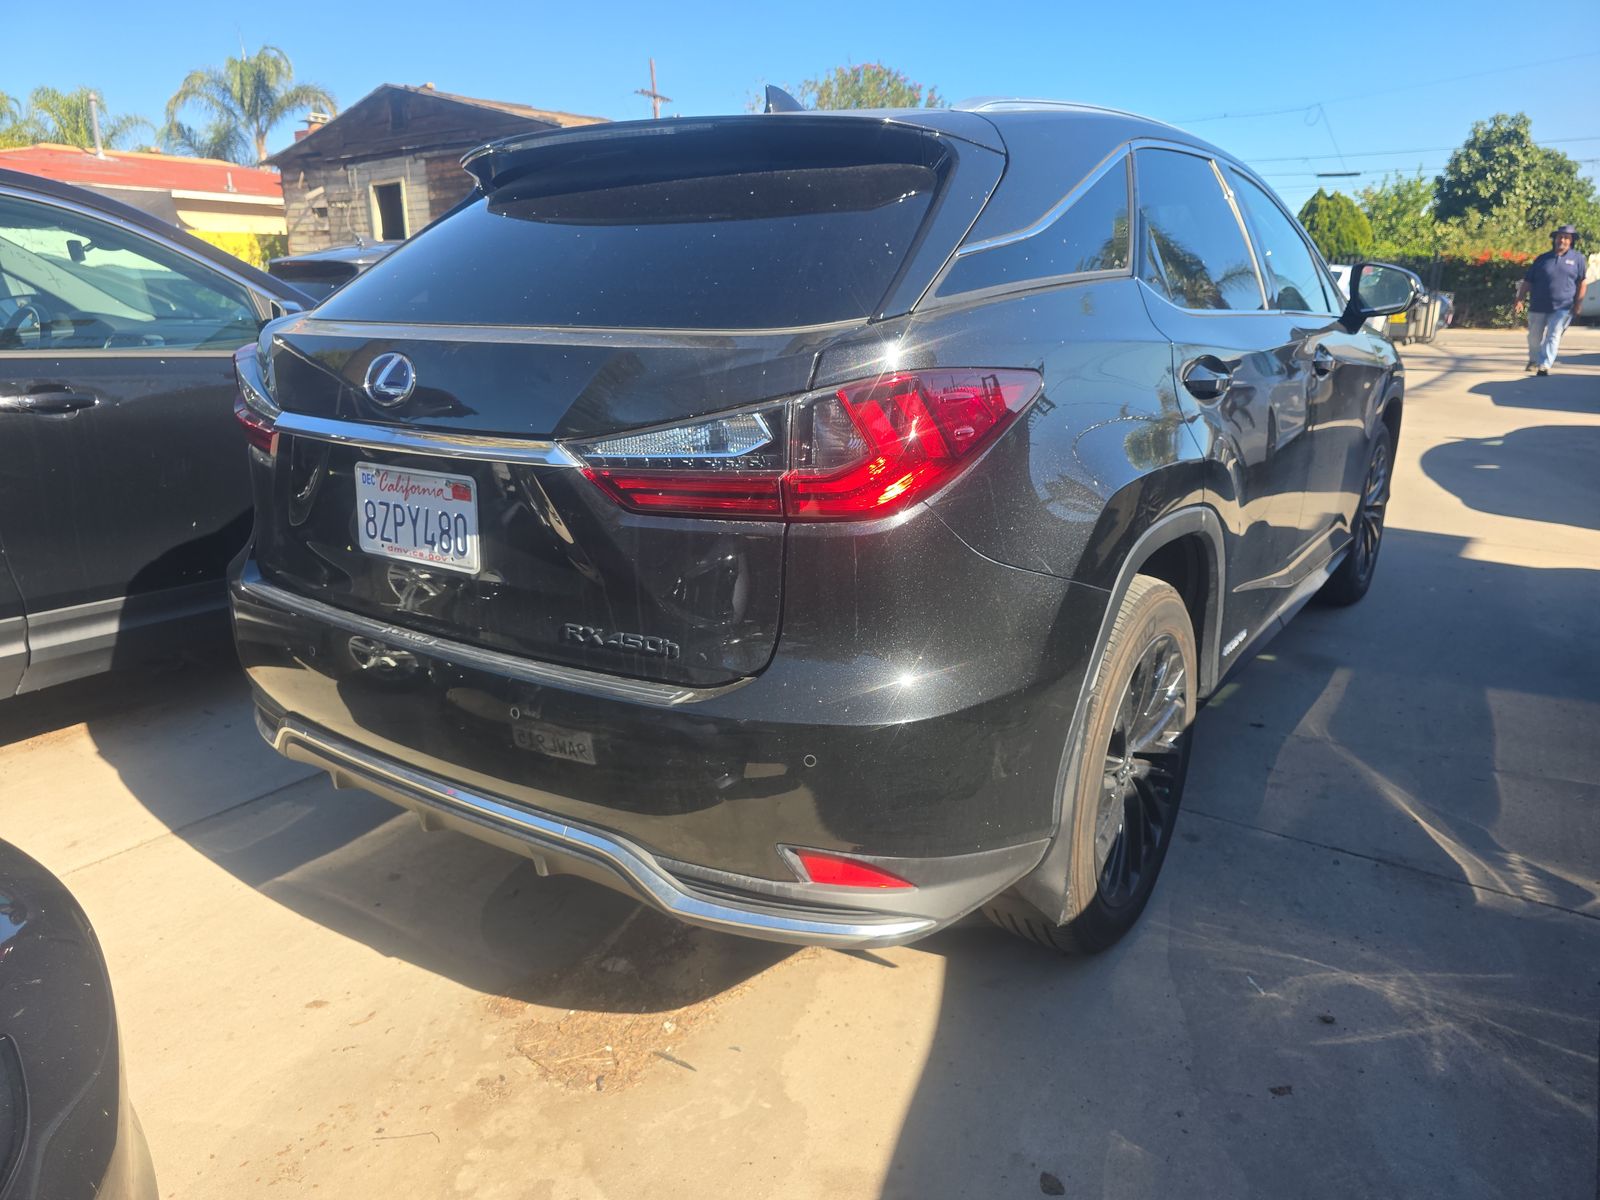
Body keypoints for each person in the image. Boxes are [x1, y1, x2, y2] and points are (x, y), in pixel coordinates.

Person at [1514, 224, 1587, 375]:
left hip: (1563, 306)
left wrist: (1578, 303)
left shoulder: (1578, 259)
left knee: (1553, 335)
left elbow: (1582, 283)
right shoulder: (1542, 259)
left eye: (1566, 238)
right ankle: (1533, 360)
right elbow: (1528, 281)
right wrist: (1520, 299)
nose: (1562, 240)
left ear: (1571, 241)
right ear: (1554, 239)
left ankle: (1544, 365)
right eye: (1560, 237)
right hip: (1538, 305)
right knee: (1534, 337)